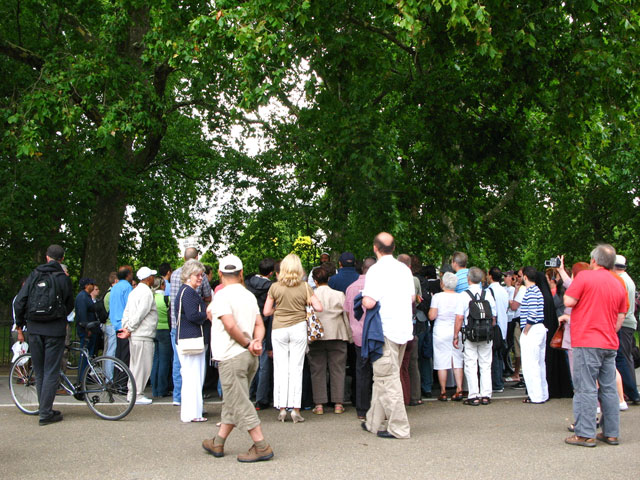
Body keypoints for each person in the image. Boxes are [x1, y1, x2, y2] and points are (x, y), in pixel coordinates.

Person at [202, 254, 273, 462]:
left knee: (240, 401)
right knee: (234, 400)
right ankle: (218, 442)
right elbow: (259, 324)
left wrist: (246, 343)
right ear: (242, 273)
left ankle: (261, 446)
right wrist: (256, 342)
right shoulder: (248, 295)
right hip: (250, 357)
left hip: (232, 356)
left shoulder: (222, 296)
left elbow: (230, 325)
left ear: (220, 273)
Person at [563, 244, 627, 447]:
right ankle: (611, 433)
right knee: (608, 389)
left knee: (585, 388)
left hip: (586, 340)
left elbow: (568, 300)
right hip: (609, 341)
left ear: (593, 260)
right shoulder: (619, 283)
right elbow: (620, 317)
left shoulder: (584, 277)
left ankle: (585, 433)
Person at [360, 232, 414, 439]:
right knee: (382, 377)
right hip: (403, 329)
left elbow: (370, 302)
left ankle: (399, 428)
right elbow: (411, 297)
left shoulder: (375, 271)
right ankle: (373, 421)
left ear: (375, 248)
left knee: (387, 379)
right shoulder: (404, 269)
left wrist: (363, 298)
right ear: (393, 248)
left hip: (384, 331)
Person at [13, 245, 74, 425]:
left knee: (39, 371)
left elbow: (20, 300)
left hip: (34, 328)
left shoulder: (34, 275)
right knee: (51, 371)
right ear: (61, 259)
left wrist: (20, 323)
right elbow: (69, 303)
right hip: (54, 329)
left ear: (47, 257)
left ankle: (43, 407)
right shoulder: (63, 278)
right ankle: (46, 413)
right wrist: (60, 316)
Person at [263, 253, 323, 423]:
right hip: (298, 328)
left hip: (279, 329)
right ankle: (295, 410)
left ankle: (282, 408)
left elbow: (266, 312)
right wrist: (304, 306)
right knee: (296, 368)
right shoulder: (305, 287)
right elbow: (319, 306)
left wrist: (279, 310)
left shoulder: (274, 287)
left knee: (280, 368)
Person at [169, 247, 212, 407]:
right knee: (192, 373)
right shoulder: (189, 292)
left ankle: (180, 399)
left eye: (202, 275)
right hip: (190, 334)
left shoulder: (176, 279)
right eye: (198, 276)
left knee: (181, 367)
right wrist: (207, 314)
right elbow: (193, 314)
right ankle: (191, 407)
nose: (201, 278)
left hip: (178, 328)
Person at [309, 265, 352, 415]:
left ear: (314, 280)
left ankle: (319, 404)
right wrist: (349, 335)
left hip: (316, 335)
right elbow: (346, 316)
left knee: (317, 370)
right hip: (337, 333)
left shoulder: (310, 295)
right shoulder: (339, 294)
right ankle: (338, 403)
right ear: (329, 279)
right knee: (338, 369)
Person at [453, 267, 496, 406]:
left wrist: (455, 335)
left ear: (468, 279)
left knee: (471, 363)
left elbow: (459, 317)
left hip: (471, 333)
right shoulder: (488, 294)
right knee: (485, 363)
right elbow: (493, 316)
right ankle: (486, 394)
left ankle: (473, 395)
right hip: (486, 334)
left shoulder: (464, 295)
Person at [118, 267, 158, 405]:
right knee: (143, 366)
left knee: (135, 365)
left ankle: (132, 392)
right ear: (148, 278)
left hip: (135, 334)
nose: (154, 278)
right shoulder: (147, 293)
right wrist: (130, 328)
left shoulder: (134, 292)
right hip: (143, 334)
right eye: (152, 276)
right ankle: (137, 394)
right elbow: (141, 313)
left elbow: (127, 311)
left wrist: (126, 326)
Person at [344, 257, 376, 419]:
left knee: (361, 371)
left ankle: (362, 410)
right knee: (379, 373)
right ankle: (379, 409)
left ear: (362, 268)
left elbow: (348, 312)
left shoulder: (351, 288)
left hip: (358, 336)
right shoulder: (379, 287)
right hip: (377, 334)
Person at [245, 257, 275, 410]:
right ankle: (262, 399)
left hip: (248, 324)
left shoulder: (247, 282)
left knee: (250, 362)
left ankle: (248, 395)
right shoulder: (271, 287)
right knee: (263, 364)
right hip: (263, 324)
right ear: (271, 273)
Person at [429, 272, 464, 401]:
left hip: (440, 331)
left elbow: (432, 316)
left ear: (442, 283)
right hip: (456, 330)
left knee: (441, 361)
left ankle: (443, 391)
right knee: (457, 360)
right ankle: (459, 388)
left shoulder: (437, 297)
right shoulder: (461, 297)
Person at [612, 255, 640, 404]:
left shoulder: (620, 280)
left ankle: (631, 392)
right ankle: (631, 391)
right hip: (628, 322)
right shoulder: (627, 279)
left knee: (622, 358)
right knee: (626, 357)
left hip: (623, 323)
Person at [519, 267, 549, 404]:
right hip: (540, 328)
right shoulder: (538, 290)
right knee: (539, 363)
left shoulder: (530, 292)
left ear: (525, 277)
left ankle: (535, 395)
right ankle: (542, 393)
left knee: (530, 365)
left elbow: (532, 311)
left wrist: (526, 328)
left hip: (532, 329)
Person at [487, 267, 509, 393]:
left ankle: (496, 383)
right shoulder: (504, 290)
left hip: (495, 328)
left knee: (494, 355)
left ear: (490, 276)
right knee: (500, 355)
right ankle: (499, 380)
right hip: (503, 326)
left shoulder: (489, 291)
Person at [151, 277, 172, 398]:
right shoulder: (166, 299)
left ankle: (154, 389)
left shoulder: (152, 298)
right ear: (163, 285)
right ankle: (162, 389)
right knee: (164, 361)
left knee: (156, 360)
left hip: (154, 330)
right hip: (165, 330)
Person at [109, 266, 134, 365]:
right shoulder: (127, 287)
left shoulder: (114, 287)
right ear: (128, 275)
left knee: (118, 355)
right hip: (124, 325)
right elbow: (130, 306)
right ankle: (124, 379)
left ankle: (117, 379)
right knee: (125, 357)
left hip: (115, 324)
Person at [75, 278, 99, 379]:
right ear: (86, 285)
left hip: (91, 329)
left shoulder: (87, 296)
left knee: (89, 353)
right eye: (91, 284)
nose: (93, 286)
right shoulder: (82, 297)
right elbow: (82, 314)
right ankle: (81, 377)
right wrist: (86, 328)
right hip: (86, 330)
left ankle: (85, 376)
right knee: (85, 353)